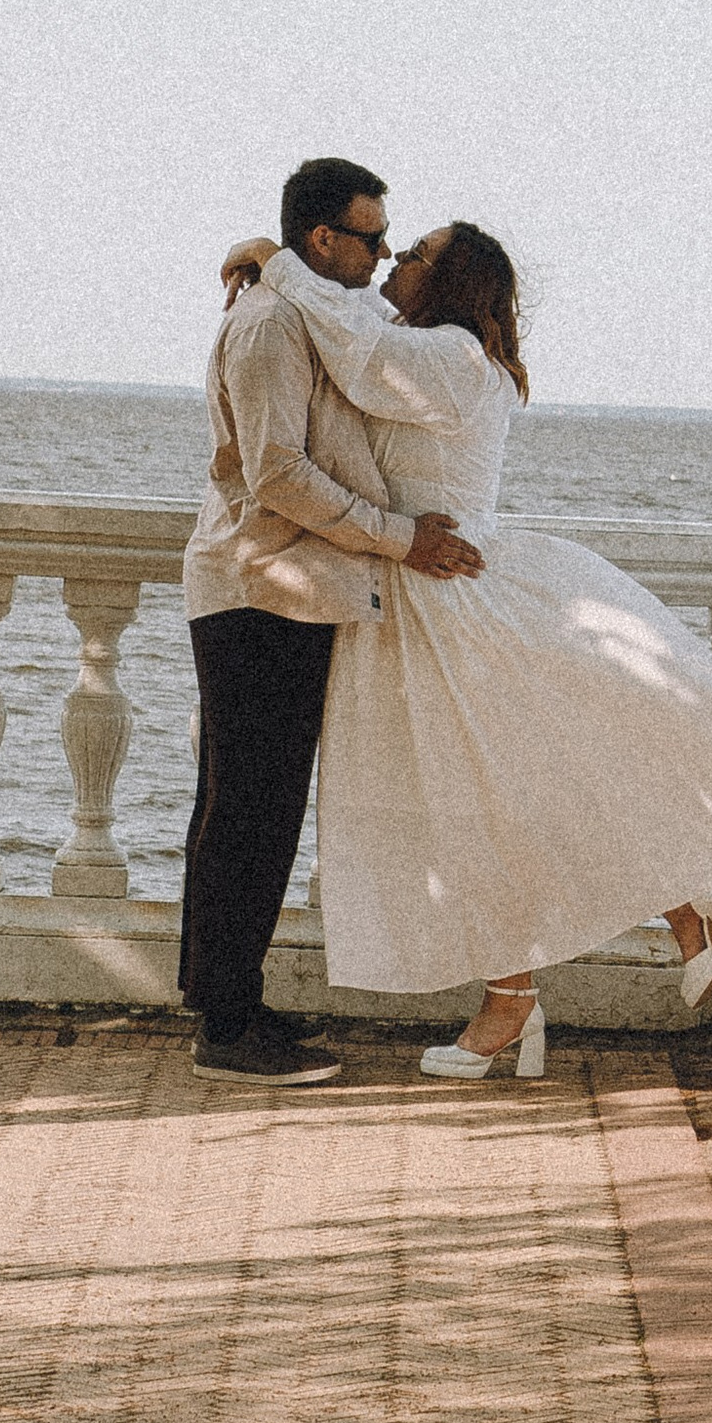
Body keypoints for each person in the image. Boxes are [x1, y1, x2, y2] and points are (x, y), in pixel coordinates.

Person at [217, 219, 712, 1077]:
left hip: (442, 598)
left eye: (419, 255)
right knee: (501, 796)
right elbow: (351, 335)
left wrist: (280, 261)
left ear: (456, 283)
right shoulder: (438, 350)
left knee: (473, 807)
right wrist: (281, 265)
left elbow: (357, 354)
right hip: (420, 593)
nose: (399, 261)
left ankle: (523, 995)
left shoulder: (448, 356)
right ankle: (674, 908)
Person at [179, 155, 486, 1084]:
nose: (386, 251)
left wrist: (259, 253)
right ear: (325, 239)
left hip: (288, 588)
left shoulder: (311, 309)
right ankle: (227, 1028)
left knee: (251, 809)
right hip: (260, 586)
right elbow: (275, 473)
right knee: (247, 813)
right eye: (373, 236)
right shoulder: (274, 324)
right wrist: (401, 539)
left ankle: (230, 1006)